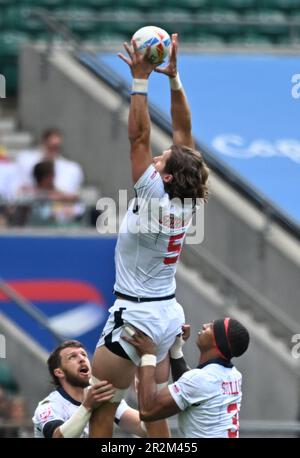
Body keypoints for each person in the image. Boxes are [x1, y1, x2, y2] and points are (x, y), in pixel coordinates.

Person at [89, 33, 209, 438]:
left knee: (100, 402)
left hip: (135, 314)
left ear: (167, 175)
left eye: (161, 160)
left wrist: (141, 80)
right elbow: (184, 132)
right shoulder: (190, 199)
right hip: (167, 314)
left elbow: (138, 137)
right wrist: (174, 80)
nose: (155, 157)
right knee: (152, 408)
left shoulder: (153, 193)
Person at [123, 318, 250, 438]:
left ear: (217, 343)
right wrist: (176, 350)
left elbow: (147, 411)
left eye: (211, 327)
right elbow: (192, 388)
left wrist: (148, 355)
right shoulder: (233, 374)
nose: (204, 326)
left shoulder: (201, 380)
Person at [32, 340, 146, 438]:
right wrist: (87, 406)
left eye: (84, 354)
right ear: (59, 372)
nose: (82, 359)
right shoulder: (48, 406)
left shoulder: (101, 395)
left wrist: (147, 357)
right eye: (72, 357)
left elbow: (140, 427)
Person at [15, 128, 84, 196]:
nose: (53, 151)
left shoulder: (71, 168)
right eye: (50, 147)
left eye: (56, 147)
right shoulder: (26, 160)